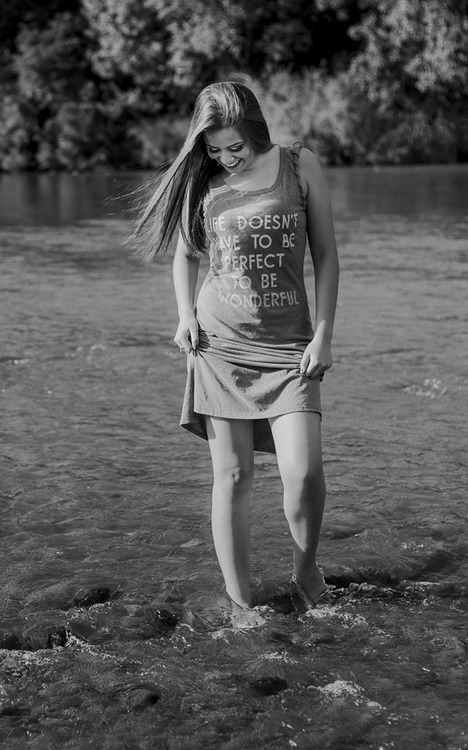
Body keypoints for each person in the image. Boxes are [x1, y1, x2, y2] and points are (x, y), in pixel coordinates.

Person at [131, 81, 340, 611]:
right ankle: (241, 604)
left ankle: (305, 570)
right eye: (214, 149)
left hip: (290, 348)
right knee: (233, 476)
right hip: (220, 344)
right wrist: (184, 316)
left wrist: (323, 334)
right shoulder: (203, 183)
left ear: (256, 130)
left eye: (235, 147)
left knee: (305, 473)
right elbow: (186, 257)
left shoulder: (299, 165)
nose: (225, 158)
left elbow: (326, 256)